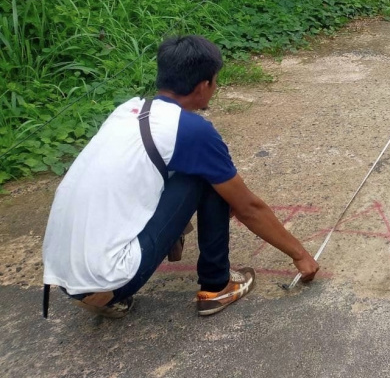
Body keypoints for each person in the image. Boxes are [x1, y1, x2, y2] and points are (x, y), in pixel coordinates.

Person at [42, 35, 320, 319]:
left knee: (191, 167)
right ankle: (217, 285)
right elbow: (247, 207)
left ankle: (108, 292)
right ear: (204, 86)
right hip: (106, 279)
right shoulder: (191, 130)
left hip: (63, 274)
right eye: (215, 81)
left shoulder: (128, 111)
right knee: (209, 177)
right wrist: (299, 254)